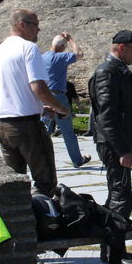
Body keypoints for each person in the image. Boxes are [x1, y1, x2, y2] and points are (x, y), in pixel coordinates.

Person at [89, 29, 132, 264]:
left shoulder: (120, 71)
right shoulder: (107, 72)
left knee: (116, 194)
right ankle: (114, 251)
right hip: (113, 144)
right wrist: (122, 151)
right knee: (122, 196)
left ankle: (110, 247)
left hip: (121, 143)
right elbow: (106, 117)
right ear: (121, 48)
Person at [0, 9, 70, 196]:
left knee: (15, 184)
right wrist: (60, 107)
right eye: (35, 26)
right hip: (26, 126)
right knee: (45, 181)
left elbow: (11, 89)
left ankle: (19, 220)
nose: (38, 31)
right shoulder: (28, 48)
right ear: (22, 25)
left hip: (3, 125)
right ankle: (45, 222)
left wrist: (40, 106)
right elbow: (38, 87)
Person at [42, 33, 91, 168]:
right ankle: (77, 160)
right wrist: (71, 40)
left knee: (42, 130)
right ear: (63, 46)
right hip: (58, 96)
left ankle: (38, 161)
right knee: (67, 131)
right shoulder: (60, 57)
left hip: (44, 95)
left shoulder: (42, 57)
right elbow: (79, 54)